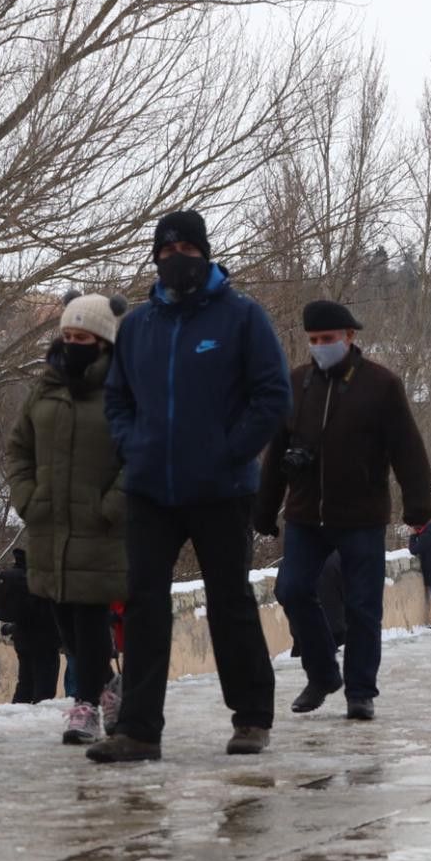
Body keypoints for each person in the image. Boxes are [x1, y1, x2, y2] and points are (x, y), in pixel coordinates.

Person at [89, 210, 291, 762]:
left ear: (204, 253)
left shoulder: (242, 318)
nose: (175, 258)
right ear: (155, 256)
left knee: (230, 603)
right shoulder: (137, 327)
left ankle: (251, 718)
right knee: (143, 605)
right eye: (165, 249)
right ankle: (138, 729)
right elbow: (117, 400)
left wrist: (230, 451)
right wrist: (134, 446)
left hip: (222, 489)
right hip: (151, 488)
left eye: (186, 249)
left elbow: (272, 397)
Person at [255, 299, 431, 722]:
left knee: (363, 606)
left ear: (349, 338)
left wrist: (418, 507)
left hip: (361, 516)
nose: (320, 346)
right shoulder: (296, 384)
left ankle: (360, 691)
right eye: (313, 340)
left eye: (327, 339)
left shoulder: (381, 385)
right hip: (304, 515)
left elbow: (407, 449)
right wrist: (263, 511)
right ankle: (322, 673)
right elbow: (277, 452)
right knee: (292, 590)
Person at [6, 291, 127, 743]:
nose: (73, 343)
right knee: (64, 619)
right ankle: (110, 688)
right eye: (68, 334)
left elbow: (140, 455)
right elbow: (19, 446)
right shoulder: (46, 385)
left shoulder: (121, 388)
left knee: (91, 618)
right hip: (48, 527)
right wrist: (27, 497)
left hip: (100, 530)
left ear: (103, 340)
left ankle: (87, 705)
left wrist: (111, 506)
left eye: (84, 336)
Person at [0, 549, 62, 706]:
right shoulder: (41, 577)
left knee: (24, 684)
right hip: (45, 639)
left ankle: (14, 719)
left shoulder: (15, 576)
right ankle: (38, 720)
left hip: (21, 637)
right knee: (44, 689)